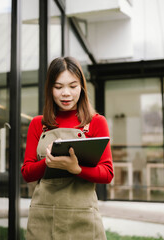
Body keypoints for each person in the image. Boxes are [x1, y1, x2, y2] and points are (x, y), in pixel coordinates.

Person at [21, 56, 114, 240]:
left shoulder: (96, 122)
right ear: (50, 89)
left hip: (83, 216)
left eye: (73, 86)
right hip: (43, 216)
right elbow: (27, 173)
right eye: (58, 87)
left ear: (82, 87)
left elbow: (107, 173)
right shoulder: (38, 124)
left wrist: (76, 169)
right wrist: (48, 163)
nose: (66, 93)